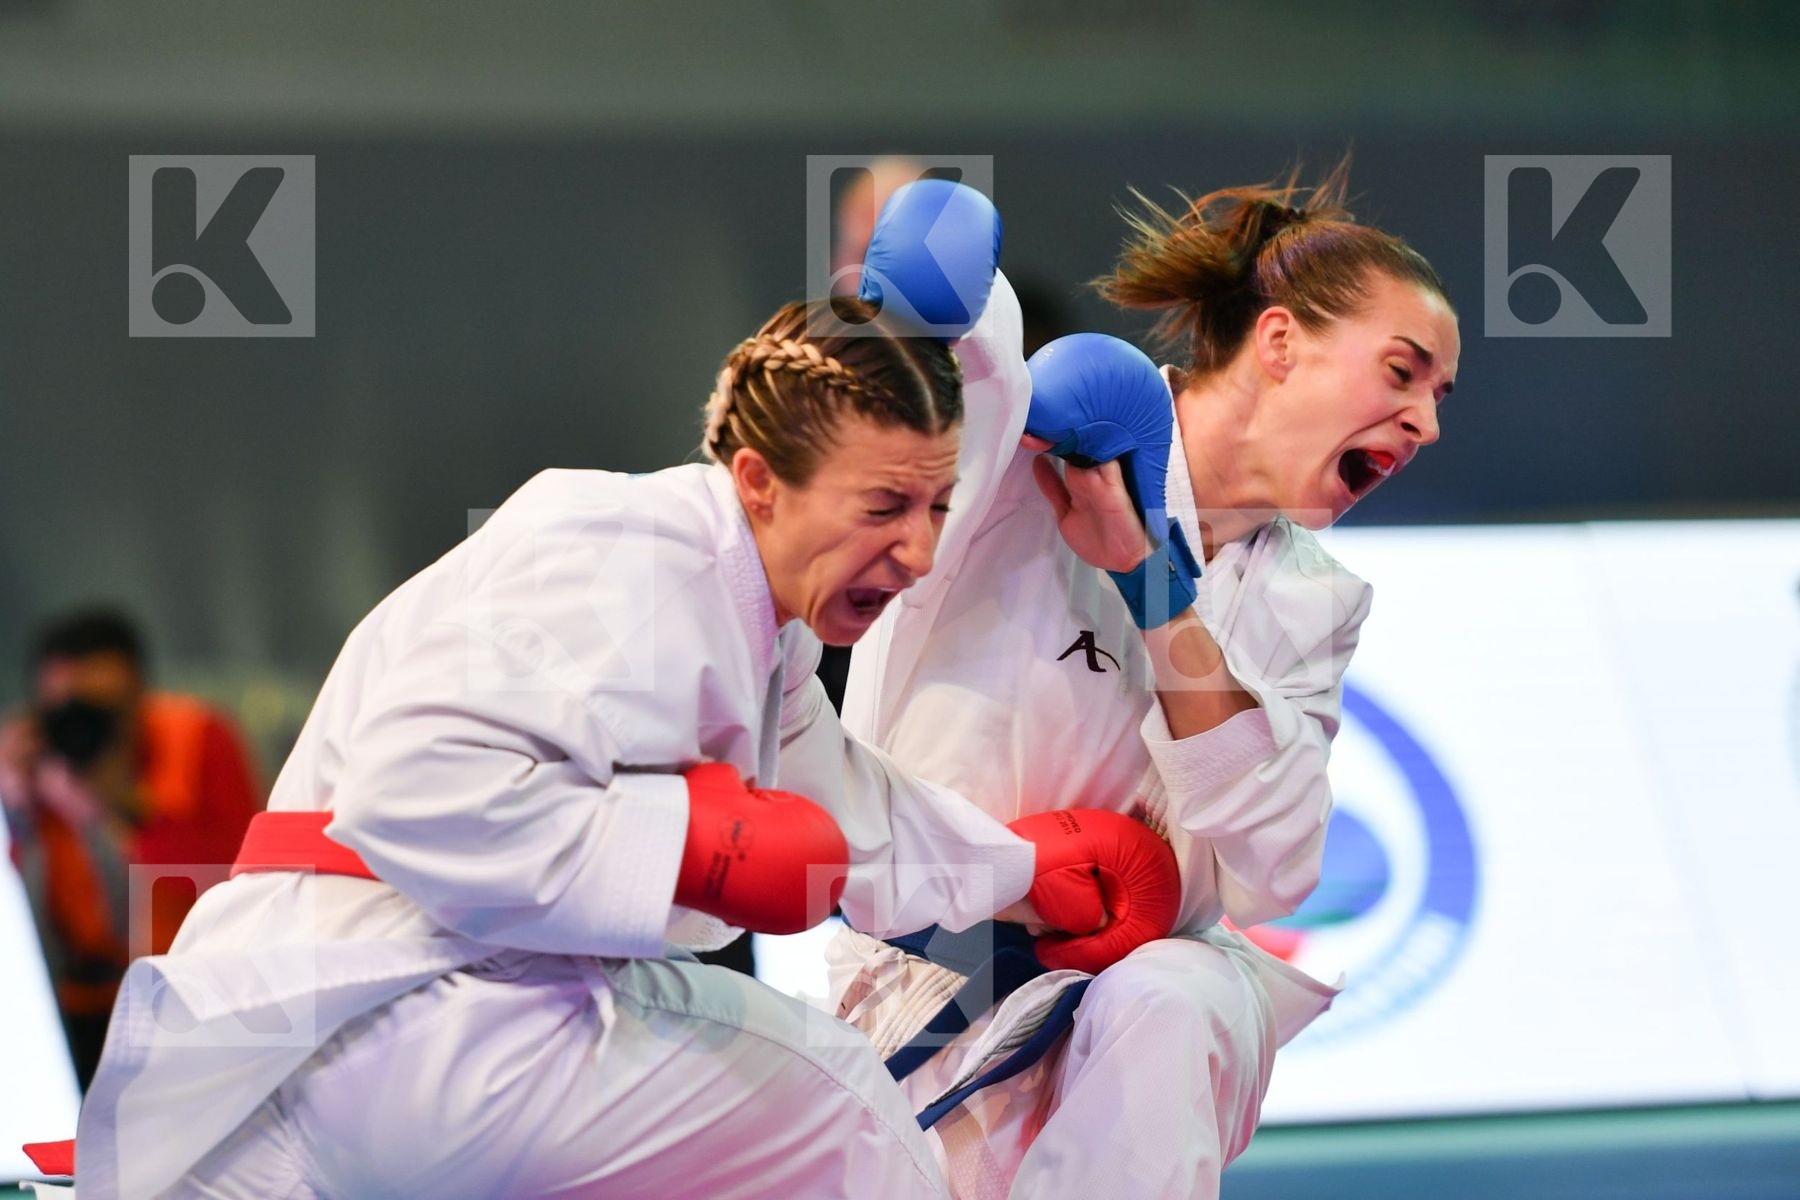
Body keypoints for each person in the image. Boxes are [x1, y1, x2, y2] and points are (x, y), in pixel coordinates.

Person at [33, 181, 1183, 1200]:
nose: (922, 553)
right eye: (885, 508)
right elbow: (411, 790)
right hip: (400, 1016)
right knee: (842, 1109)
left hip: (372, 1056)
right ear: (758, 481)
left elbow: (848, 819)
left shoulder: (755, 623)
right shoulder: (628, 551)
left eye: (937, 509)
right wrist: (690, 841)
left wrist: (1032, 870)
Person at [828, 162, 1462, 1198]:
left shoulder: (1316, 598)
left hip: (1151, 1024)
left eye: (1438, 396)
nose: (1427, 422)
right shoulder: (1043, 442)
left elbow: (1279, 861)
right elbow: (966, 372)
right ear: (1280, 342)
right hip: (923, 985)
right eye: (1402, 372)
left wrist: (1159, 590)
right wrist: (931, 285)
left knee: (1173, 991)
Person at [0, 608, 262, 1085]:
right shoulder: (32, 768)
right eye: (67, 712)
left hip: (183, 1004)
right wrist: (13, 815)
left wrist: (119, 811)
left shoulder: (197, 740)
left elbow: (241, 881)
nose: (87, 731)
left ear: (141, 697)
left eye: (104, 711)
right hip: (71, 1008)